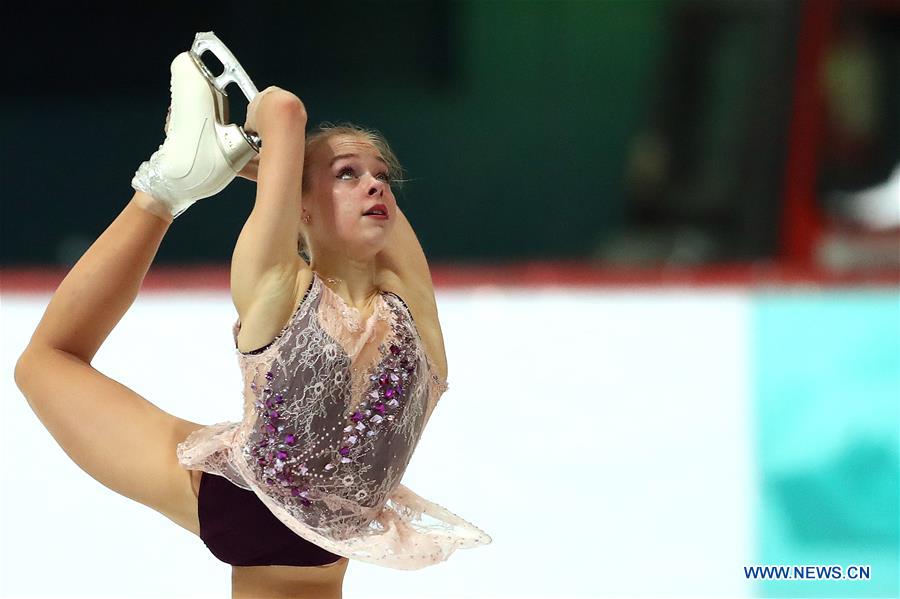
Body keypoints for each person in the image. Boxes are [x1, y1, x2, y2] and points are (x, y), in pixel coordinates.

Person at [14, 46, 490, 599]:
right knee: (47, 362)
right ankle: (164, 190)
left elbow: (302, 153)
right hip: (252, 506)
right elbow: (284, 111)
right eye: (348, 175)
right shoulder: (280, 287)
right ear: (302, 209)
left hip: (290, 534)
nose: (375, 186)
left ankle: (173, 184)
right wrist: (267, 163)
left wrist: (248, 162)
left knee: (48, 362)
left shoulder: (412, 316)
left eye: (381, 176)